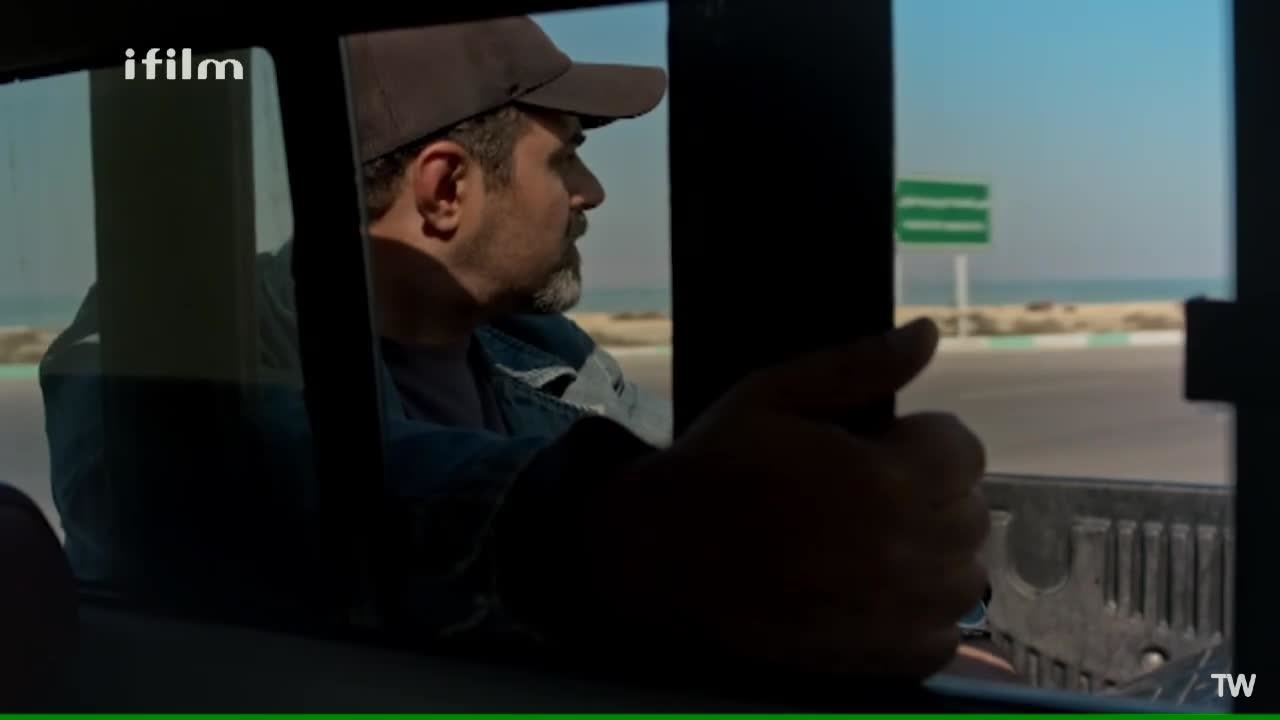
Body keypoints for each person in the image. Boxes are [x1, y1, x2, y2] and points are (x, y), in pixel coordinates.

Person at [39, 16, 1012, 682]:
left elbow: (713, 495)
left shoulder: (538, 346)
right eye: (566, 155)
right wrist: (615, 535)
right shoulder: (157, 337)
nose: (589, 194)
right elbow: (214, 494)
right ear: (445, 190)